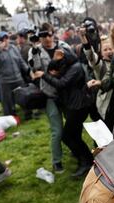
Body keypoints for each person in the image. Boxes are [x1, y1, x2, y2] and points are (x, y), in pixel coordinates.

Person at [33, 47, 94, 177]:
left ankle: (86, 161)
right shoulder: (68, 66)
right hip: (74, 106)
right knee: (74, 136)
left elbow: (62, 83)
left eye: (61, 56)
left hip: (78, 107)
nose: (59, 58)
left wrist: (44, 75)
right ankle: (86, 160)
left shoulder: (76, 67)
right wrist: (54, 60)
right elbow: (53, 70)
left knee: (67, 136)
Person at [28, 22, 69, 173]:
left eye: (49, 34)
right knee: (57, 130)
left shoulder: (63, 46)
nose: (47, 38)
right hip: (50, 95)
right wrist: (33, 48)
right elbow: (35, 70)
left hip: (66, 93)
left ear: (53, 33)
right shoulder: (36, 51)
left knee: (72, 127)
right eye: (43, 35)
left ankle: (76, 151)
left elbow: (73, 63)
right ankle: (57, 161)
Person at [0, 31, 29, 117]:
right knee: (7, 102)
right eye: (2, 39)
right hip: (5, 81)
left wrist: (28, 71)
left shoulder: (13, 48)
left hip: (18, 78)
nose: (5, 40)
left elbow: (21, 61)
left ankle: (28, 114)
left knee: (24, 97)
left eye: (6, 38)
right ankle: (10, 118)